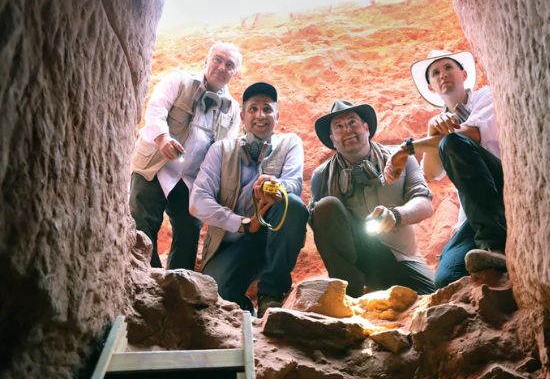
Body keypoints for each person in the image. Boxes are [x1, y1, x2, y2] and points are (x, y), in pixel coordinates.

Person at [384, 50, 507, 289]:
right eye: (436, 73)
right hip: (476, 214)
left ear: (463, 74)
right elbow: (432, 172)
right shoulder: (439, 121)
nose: (443, 75)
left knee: (452, 142)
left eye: (449, 68)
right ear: (431, 87)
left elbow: (473, 134)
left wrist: (407, 147)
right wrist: (433, 132)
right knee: (446, 279)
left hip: (503, 189)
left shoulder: (487, 96)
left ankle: (495, 246)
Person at [190, 82, 308, 317]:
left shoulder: (290, 143)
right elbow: (197, 200)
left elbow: (294, 183)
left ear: (277, 115)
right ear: (242, 116)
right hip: (232, 243)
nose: (260, 115)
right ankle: (248, 313)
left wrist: (275, 186)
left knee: (293, 203)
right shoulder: (220, 150)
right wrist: (244, 224)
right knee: (216, 300)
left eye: (267, 108)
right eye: (253, 109)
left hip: (273, 238)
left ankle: (271, 295)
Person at [129, 42, 242, 270]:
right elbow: (156, 109)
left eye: (229, 65)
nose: (221, 67)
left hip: (190, 181)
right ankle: (146, 278)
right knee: (141, 223)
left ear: (235, 73)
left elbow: (225, 152)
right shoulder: (178, 80)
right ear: (206, 62)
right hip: (155, 167)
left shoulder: (233, 110)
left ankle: (176, 290)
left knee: (189, 231)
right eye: (218, 60)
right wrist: (162, 138)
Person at [309, 100, 436, 298]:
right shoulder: (321, 176)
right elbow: (319, 226)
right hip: (359, 259)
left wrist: (395, 214)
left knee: (435, 297)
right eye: (339, 127)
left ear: (366, 128)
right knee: (325, 207)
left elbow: (425, 203)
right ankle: (349, 296)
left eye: (352, 122)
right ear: (333, 139)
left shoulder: (400, 158)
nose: (347, 129)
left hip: (402, 257)